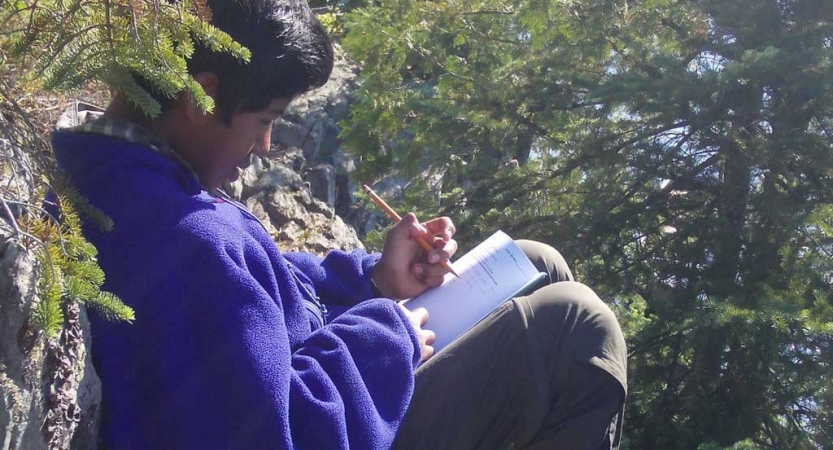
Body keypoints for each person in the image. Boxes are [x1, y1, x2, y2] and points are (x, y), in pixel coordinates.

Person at [50, 0, 627, 448]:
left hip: (322, 371)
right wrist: (384, 339)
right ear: (201, 96)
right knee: (577, 325)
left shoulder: (130, 173)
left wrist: (373, 282)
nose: (264, 147)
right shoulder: (183, 238)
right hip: (341, 417)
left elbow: (260, 296)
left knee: (534, 262)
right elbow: (274, 435)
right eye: (265, 120)